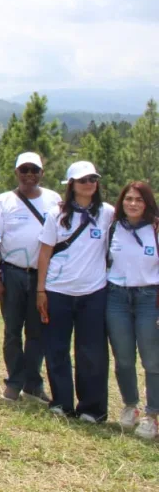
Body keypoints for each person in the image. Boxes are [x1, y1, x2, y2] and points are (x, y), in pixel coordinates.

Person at [37, 161, 114, 423]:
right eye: (83, 180)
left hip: (93, 292)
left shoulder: (107, 213)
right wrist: (41, 290)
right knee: (56, 348)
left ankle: (92, 408)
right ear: (71, 185)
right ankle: (61, 401)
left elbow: (133, 222)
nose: (89, 184)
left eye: (93, 179)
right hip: (58, 290)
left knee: (91, 352)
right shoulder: (55, 215)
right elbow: (45, 254)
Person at [0, 152, 60, 402]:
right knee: (12, 331)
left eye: (34, 170)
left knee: (37, 332)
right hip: (12, 273)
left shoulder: (54, 199)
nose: (29, 174)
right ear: (16, 173)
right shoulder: (4, 201)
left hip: (42, 277)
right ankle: (14, 381)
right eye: (24, 170)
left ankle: (32, 383)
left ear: (42, 173)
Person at [105, 181, 159, 439]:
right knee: (123, 357)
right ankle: (130, 406)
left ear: (147, 203)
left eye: (139, 199)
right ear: (121, 202)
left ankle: (152, 415)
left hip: (149, 297)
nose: (133, 204)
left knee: (151, 359)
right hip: (116, 297)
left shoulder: (156, 228)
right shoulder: (114, 226)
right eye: (128, 199)